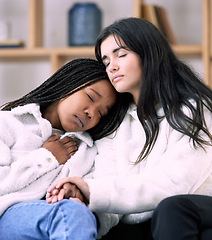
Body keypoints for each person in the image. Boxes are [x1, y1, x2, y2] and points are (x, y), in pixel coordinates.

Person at [46, 17, 212, 239]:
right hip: (150, 219)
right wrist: (85, 204)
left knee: (172, 209)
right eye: (106, 61)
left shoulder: (192, 109)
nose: (112, 66)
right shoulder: (116, 125)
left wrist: (92, 190)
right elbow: (108, 188)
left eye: (121, 55)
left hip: (194, 207)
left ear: (149, 53)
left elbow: (175, 184)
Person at [0, 58, 131, 240]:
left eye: (101, 113)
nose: (91, 113)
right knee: (68, 214)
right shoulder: (8, 123)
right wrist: (46, 158)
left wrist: (81, 194)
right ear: (69, 84)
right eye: (91, 97)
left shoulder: (89, 150)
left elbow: (110, 203)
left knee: (73, 212)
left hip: (67, 220)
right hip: (8, 217)